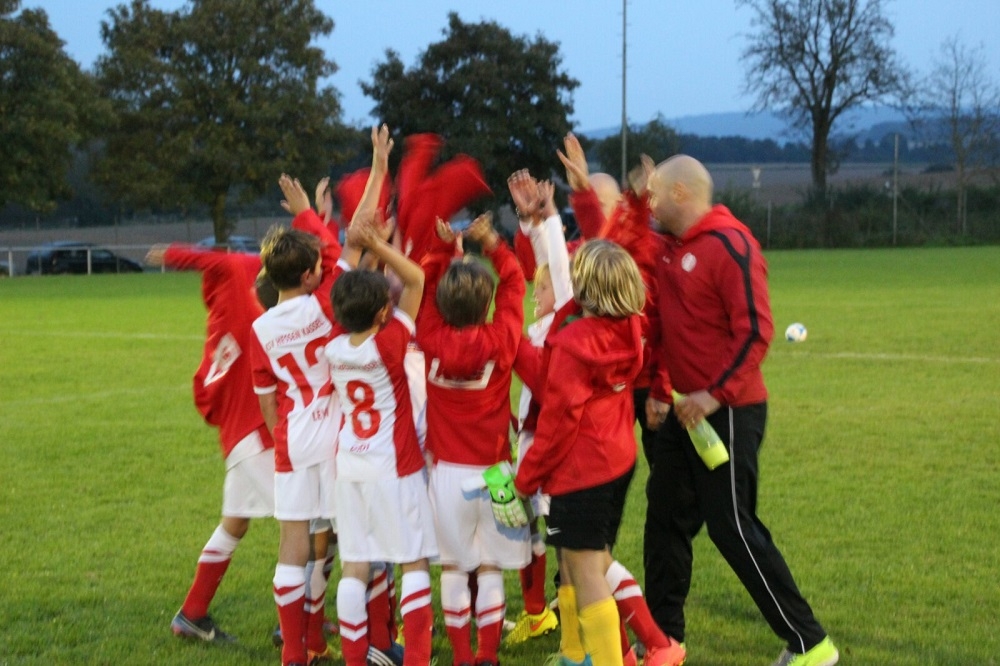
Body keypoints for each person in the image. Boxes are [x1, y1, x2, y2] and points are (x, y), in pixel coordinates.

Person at [643, 154, 839, 666]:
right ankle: (664, 641)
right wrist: (662, 389)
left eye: (656, 192)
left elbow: (756, 331)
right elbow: (664, 325)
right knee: (663, 519)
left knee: (732, 527)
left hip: (729, 412)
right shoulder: (669, 248)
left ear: (681, 193)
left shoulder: (732, 244)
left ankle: (811, 644)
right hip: (684, 412)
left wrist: (714, 395)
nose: (650, 202)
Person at [513, 240, 685, 666]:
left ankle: (615, 657)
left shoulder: (574, 344)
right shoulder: (630, 327)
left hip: (581, 471)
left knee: (586, 573)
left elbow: (558, 422)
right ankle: (655, 644)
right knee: (597, 559)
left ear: (583, 288)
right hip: (617, 459)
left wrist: (527, 477)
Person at [251, 170, 359, 666]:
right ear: (311, 275)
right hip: (337, 433)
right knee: (352, 537)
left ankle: (295, 653)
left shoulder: (260, 327)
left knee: (293, 543)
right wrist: (307, 215)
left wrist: (281, 440)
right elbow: (336, 256)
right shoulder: (325, 304)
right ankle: (366, 642)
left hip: (292, 439)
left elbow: (266, 398)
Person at [145, 242, 275, 644]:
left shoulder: (223, 318)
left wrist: (174, 256)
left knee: (234, 524)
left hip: (238, 436)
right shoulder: (246, 307)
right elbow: (234, 262)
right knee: (309, 526)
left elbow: (205, 394)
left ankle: (192, 613)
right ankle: (302, 623)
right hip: (257, 435)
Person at [324, 208, 437, 666]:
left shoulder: (333, 345)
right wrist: (377, 244)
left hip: (350, 467)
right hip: (395, 465)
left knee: (355, 564)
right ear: (384, 312)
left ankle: (355, 658)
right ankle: (418, 658)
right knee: (413, 561)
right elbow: (416, 280)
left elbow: (347, 290)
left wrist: (360, 249)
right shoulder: (390, 342)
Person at [418, 213, 530, 666]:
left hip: (447, 474)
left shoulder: (428, 336)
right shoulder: (501, 339)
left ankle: (462, 656)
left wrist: (443, 250)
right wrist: (493, 244)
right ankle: (486, 655)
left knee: (452, 565)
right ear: (486, 304)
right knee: (490, 565)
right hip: (496, 472)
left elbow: (424, 287)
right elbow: (515, 285)